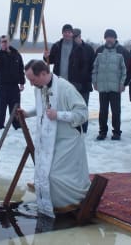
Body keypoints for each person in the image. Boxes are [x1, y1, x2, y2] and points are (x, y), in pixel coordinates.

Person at [20, 60, 90, 218]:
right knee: (44, 174)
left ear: (43, 74)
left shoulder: (65, 88)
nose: (31, 84)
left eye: (33, 79)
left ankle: (72, 203)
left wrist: (58, 115)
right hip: (49, 140)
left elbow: (82, 114)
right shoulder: (40, 88)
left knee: (54, 176)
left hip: (68, 140)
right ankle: (55, 205)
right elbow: (43, 108)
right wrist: (27, 113)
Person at [43, 24, 90, 128]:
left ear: (72, 34)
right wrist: (46, 56)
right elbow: (49, 61)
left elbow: (83, 65)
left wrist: (80, 80)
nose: (67, 34)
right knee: (59, 102)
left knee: (71, 103)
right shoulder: (57, 46)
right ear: (62, 33)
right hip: (58, 80)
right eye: (65, 32)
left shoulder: (78, 48)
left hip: (73, 82)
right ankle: (60, 123)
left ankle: (76, 125)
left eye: (69, 32)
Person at [92, 29, 128, 140]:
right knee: (103, 111)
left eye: (111, 37)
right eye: (107, 37)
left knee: (116, 111)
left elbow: (124, 70)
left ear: (115, 38)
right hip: (102, 87)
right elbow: (95, 68)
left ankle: (116, 132)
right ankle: (102, 132)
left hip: (115, 87)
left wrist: (122, 84)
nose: (109, 39)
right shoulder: (100, 50)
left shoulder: (121, 51)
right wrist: (95, 81)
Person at [0, 35, 25, 132]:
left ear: (9, 42)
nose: (4, 43)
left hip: (14, 86)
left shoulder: (17, 54)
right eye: (2, 42)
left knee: (15, 107)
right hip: (2, 86)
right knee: (0, 107)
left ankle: (16, 125)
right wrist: (2, 50)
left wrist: (22, 83)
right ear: (0, 43)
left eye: (6, 41)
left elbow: (21, 69)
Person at [72, 28, 95, 133]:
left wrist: (90, 78)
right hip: (71, 85)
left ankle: (83, 129)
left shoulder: (89, 49)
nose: (73, 39)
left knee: (83, 107)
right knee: (72, 107)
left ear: (80, 37)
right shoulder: (69, 48)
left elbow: (93, 66)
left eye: (75, 37)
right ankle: (74, 128)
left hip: (85, 84)